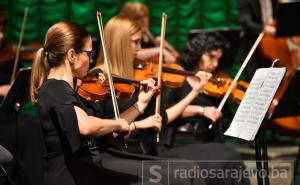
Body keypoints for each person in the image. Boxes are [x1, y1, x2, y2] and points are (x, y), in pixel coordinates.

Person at [30, 21, 206, 185]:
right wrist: (118, 123)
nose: (91, 60)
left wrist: (140, 105)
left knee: (180, 173)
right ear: (71, 55)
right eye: (89, 53)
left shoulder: (64, 89)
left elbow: (106, 131)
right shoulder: (55, 88)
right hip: (72, 175)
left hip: (89, 166)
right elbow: (86, 126)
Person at [90, 15, 250, 185]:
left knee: (226, 156)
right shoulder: (98, 80)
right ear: (120, 43)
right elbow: (102, 132)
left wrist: (193, 93)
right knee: (188, 171)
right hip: (117, 155)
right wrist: (138, 121)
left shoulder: (136, 76)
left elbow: (162, 117)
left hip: (144, 150)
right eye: (135, 42)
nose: (140, 48)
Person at [176, 32, 226, 142]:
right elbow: (167, 110)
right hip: (184, 138)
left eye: (218, 59)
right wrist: (202, 110)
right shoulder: (179, 79)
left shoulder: (216, 83)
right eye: (211, 57)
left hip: (210, 137)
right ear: (197, 53)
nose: (215, 64)